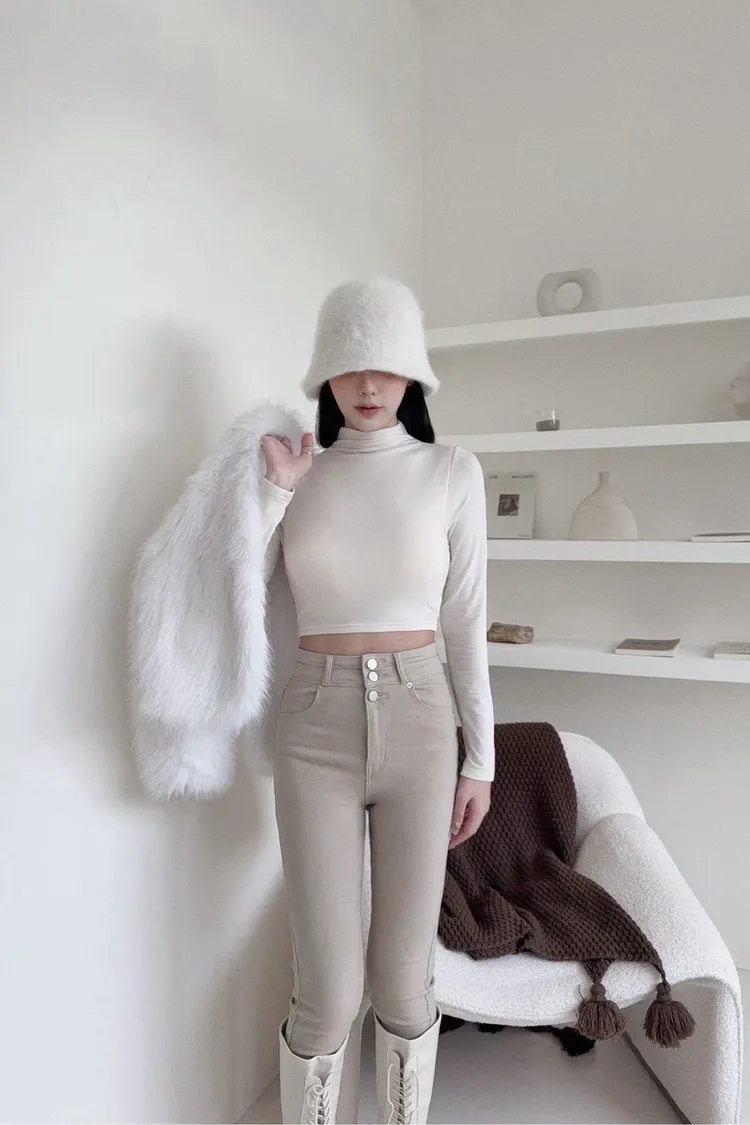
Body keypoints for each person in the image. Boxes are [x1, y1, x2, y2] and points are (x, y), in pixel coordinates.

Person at [259, 277, 495, 1125]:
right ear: (324, 372)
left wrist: (482, 758)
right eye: (351, 364)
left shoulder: (450, 471)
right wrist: (274, 493)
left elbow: (465, 620)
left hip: (423, 721)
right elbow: (234, 598)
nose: (367, 383)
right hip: (313, 725)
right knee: (327, 988)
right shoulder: (294, 472)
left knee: (403, 978)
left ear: (413, 374)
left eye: (386, 365)